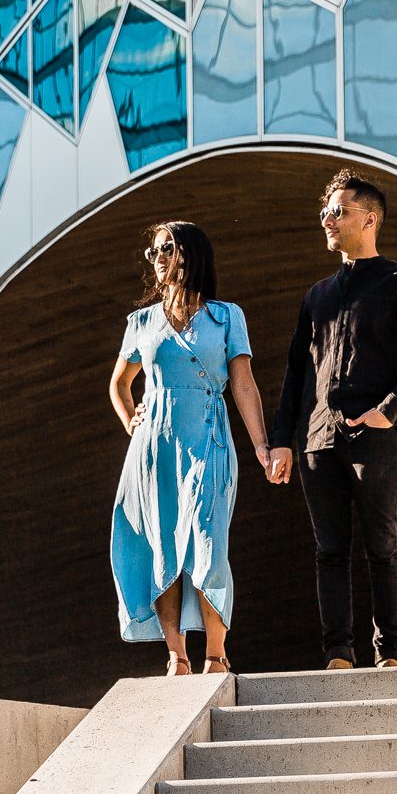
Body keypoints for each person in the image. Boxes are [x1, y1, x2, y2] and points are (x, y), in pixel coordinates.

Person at [266, 169, 397, 670]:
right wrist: (281, 439)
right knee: (329, 550)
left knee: (382, 545)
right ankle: (338, 653)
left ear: (369, 219)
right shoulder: (316, 296)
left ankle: (390, 652)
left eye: (338, 212)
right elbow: (296, 372)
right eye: (325, 212)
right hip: (317, 440)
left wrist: (390, 410)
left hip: (377, 436)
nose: (327, 220)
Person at [108, 220, 281, 675]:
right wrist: (131, 421)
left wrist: (262, 446)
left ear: (190, 253)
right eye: (154, 251)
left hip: (208, 437)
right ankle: (177, 656)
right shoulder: (141, 322)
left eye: (167, 248)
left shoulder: (226, 316)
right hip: (153, 448)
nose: (158, 258)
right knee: (162, 545)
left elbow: (243, 383)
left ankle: (216, 654)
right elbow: (119, 383)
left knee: (208, 540)